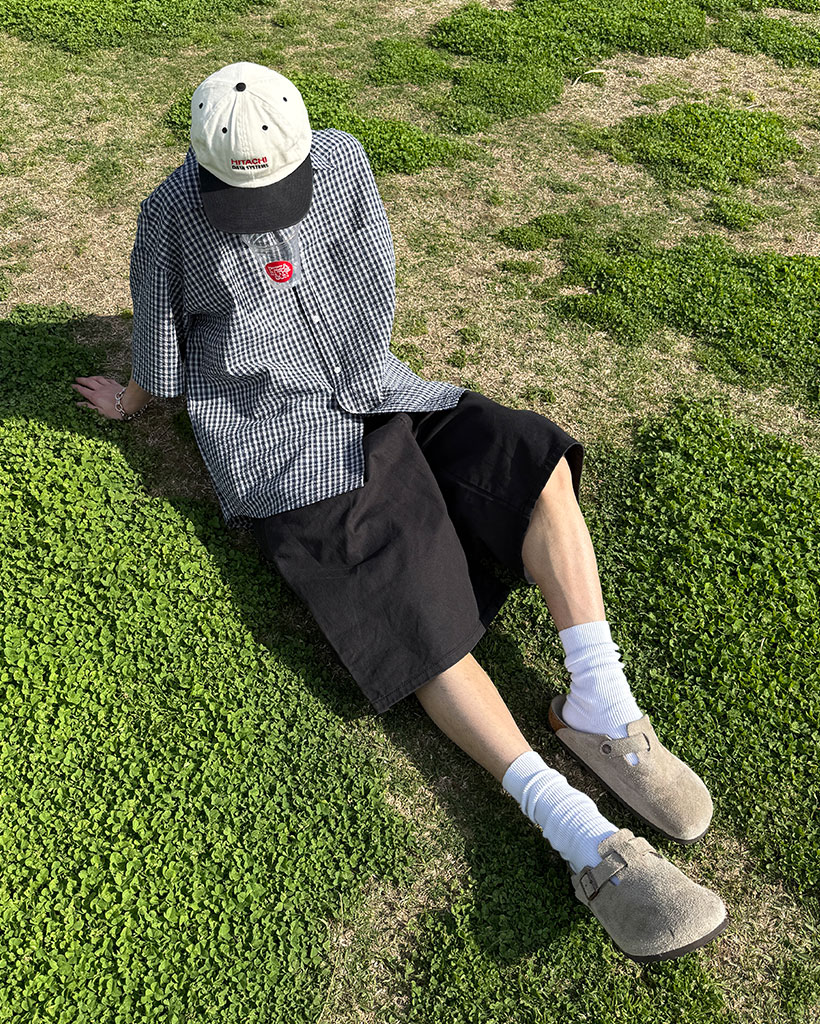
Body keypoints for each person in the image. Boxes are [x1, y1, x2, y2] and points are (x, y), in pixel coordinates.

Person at [72, 62, 728, 963]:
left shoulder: (344, 160)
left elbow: (373, 281)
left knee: (532, 461)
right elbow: (161, 347)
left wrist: (372, 380)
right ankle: (584, 835)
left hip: (379, 389)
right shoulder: (168, 214)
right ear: (199, 159)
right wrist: (136, 401)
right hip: (278, 439)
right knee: (414, 611)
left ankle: (602, 705)